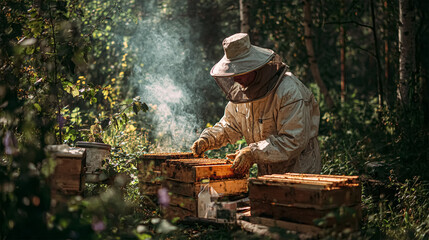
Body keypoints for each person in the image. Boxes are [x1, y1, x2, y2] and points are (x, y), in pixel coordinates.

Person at [191, 33, 321, 176]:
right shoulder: (242, 92)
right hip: (267, 176)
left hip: (300, 175)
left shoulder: (289, 92)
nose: (235, 78)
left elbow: (293, 140)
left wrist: (252, 153)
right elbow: (230, 125)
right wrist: (208, 139)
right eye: (232, 71)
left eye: (240, 71)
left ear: (254, 67)